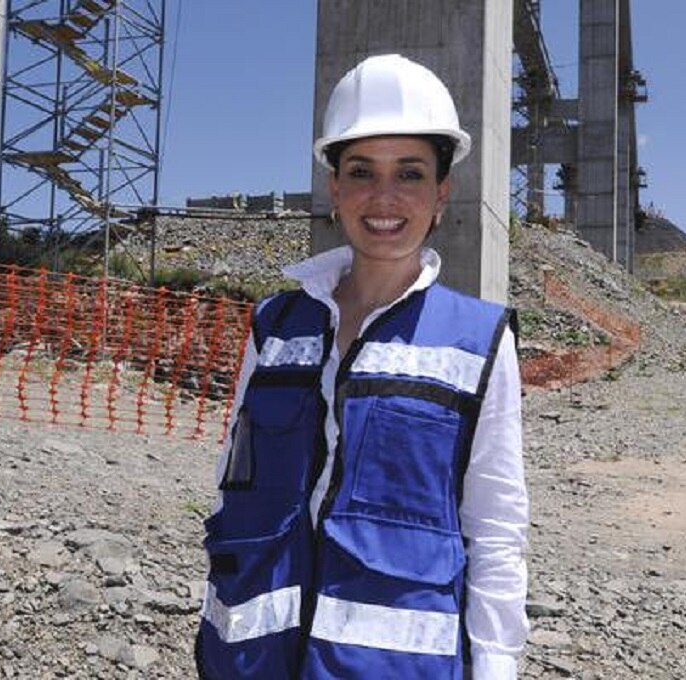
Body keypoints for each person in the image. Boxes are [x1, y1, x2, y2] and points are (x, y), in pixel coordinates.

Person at [195, 54, 528, 679]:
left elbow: (495, 528)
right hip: (253, 661)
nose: (384, 197)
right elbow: (231, 487)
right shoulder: (273, 325)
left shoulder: (480, 341)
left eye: (410, 173)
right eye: (361, 171)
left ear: (441, 192)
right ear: (335, 188)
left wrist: (496, 666)